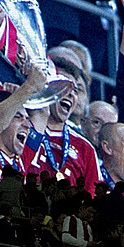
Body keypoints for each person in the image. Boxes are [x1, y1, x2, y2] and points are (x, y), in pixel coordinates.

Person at [25, 59, 102, 196]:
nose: (71, 94)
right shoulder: (22, 129)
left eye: (75, 90)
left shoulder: (85, 149)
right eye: (63, 85)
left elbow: (93, 199)